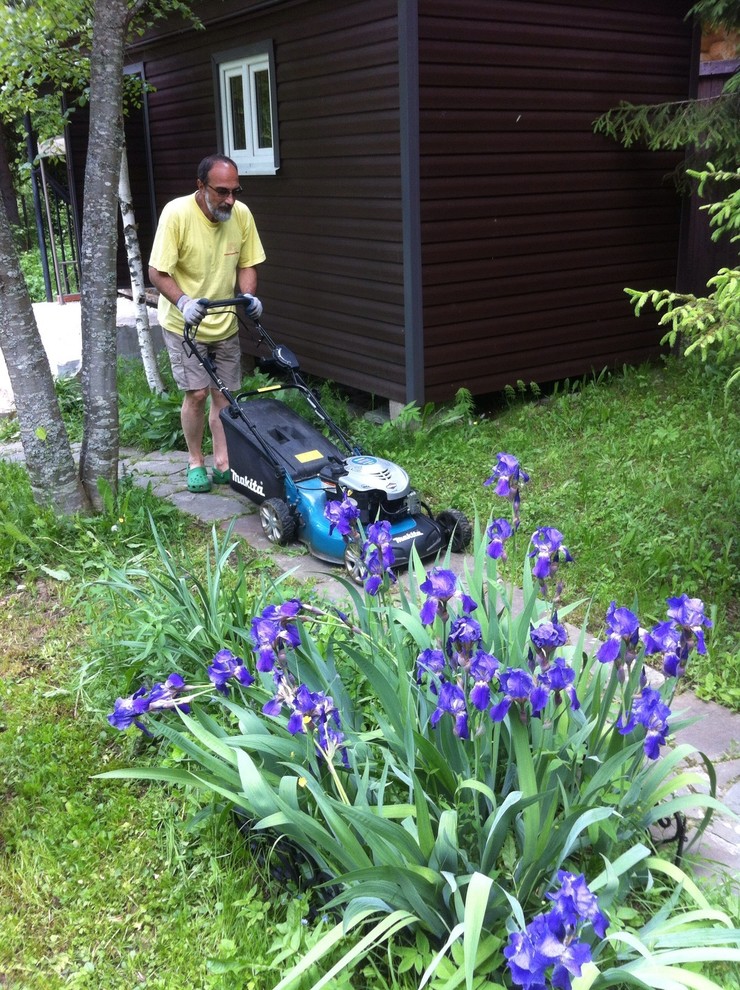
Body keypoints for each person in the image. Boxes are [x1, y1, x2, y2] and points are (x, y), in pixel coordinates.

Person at [148, 153, 266, 493]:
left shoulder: (240, 215)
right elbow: (157, 271)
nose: (230, 199)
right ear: (201, 187)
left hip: (224, 320)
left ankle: (223, 461)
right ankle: (195, 461)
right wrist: (184, 302)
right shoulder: (177, 214)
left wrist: (249, 297)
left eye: (235, 191)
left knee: (224, 395)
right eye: (221, 191)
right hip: (184, 322)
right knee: (198, 393)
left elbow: (248, 264)